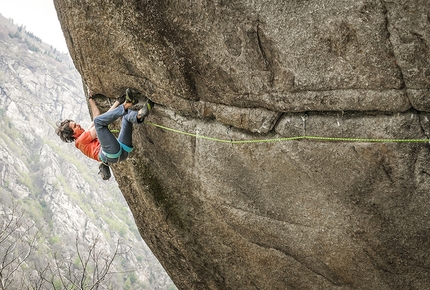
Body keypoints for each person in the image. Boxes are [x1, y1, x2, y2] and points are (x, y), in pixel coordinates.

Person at [55, 88, 154, 177]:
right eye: (75, 126)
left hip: (121, 153)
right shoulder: (80, 141)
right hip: (111, 152)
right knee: (99, 122)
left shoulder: (85, 135)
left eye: (76, 123)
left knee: (126, 118)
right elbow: (99, 121)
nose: (79, 125)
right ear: (73, 134)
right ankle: (128, 104)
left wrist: (114, 102)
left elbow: (99, 116)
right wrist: (121, 105)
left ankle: (139, 115)